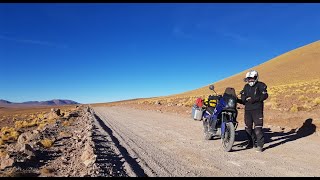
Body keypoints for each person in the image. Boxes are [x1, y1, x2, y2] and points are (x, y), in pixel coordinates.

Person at [240, 70, 268, 152]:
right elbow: (243, 96)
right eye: (249, 79)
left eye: (252, 78)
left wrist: (254, 99)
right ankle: (251, 142)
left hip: (257, 109)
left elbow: (265, 95)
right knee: (247, 128)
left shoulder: (261, 85)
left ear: (256, 78)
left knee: (258, 129)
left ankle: (260, 145)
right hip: (248, 110)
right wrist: (243, 98)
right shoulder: (246, 87)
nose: (250, 80)